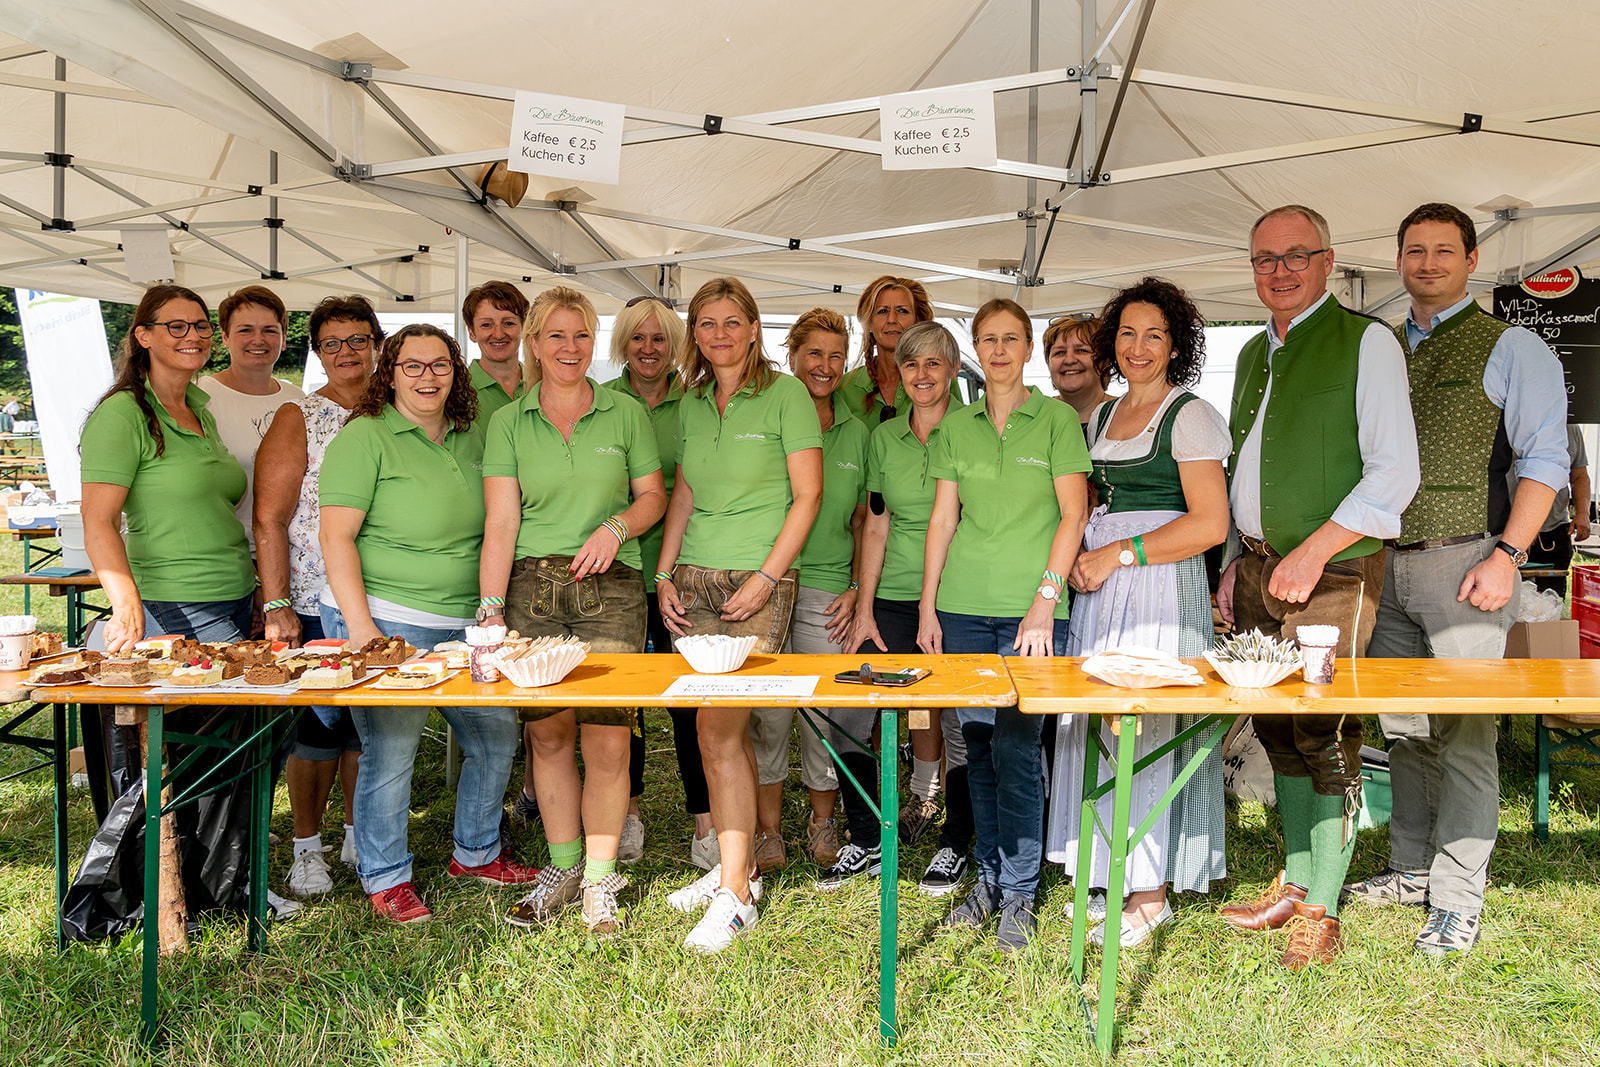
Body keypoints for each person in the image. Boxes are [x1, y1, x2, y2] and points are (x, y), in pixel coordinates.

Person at [1344, 202, 1568, 956]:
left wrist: (1507, 556)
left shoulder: (1512, 346)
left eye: (1444, 251)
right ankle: (1410, 867)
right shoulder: (1378, 347)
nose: (1428, 263)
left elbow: (1545, 461)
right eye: (1415, 250)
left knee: (1468, 729)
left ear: (1473, 260)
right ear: (1398, 259)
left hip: (1466, 559)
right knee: (1404, 729)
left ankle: (1458, 895)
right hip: (1386, 561)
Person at [1215, 204, 1419, 969]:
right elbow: (1246, 467)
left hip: (1334, 567)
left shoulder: (1367, 341)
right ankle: (1297, 880)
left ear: (1328, 260)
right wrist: (1241, 557)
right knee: (1272, 724)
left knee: (1324, 727)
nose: (1280, 269)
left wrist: (1315, 550)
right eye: (1265, 257)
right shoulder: (1248, 355)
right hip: (1263, 566)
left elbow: (1395, 471)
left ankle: (1324, 906)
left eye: (1296, 255)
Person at [79, 283, 296, 918]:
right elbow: (98, 523)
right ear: (142, 336)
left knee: (240, 751)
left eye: (200, 326)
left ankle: (225, 885)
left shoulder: (197, 408)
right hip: (170, 608)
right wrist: (124, 604)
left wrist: (260, 590)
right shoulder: (123, 414)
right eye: (176, 327)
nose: (193, 336)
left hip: (233, 601)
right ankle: (171, 893)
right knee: (181, 762)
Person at [319, 323, 538, 924]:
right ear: (388, 374)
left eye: (439, 365)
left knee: (495, 735)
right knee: (392, 749)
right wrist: (362, 629)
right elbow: (335, 538)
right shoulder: (364, 437)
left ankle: (477, 852)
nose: (427, 377)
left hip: (468, 623)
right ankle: (385, 875)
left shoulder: (475, 437)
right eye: (412, 366)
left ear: (455, 372)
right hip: (387, 618)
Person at [1044, 278, 1231, 947]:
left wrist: (1120, 552)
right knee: (1099, 723)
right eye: (1127, 333)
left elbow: (1210, 523)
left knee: (1145, 728)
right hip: (1100, 585)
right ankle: (1108, 875)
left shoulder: (1190, 414)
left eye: (1154, 334)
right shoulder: (1099, 416)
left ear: (1175, 342)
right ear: (1110, 343)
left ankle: (1149, 892)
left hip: (1154, 582)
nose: (1139, 346)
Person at [477, 287, 667, 936]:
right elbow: (501, 521)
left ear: (595, 342)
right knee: (549, 733)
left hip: (612, 584)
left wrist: (617, 527)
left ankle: (600, 878)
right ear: (533, 343)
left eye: (581, 335)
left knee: (609, 736)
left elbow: (653, 497)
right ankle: (562, 868)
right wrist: (490, 606)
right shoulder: (507, 421)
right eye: (555, 336)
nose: (569, 348)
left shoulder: (625, 413)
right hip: (532, 586)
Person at [917, 297, 1090, 952]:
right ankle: (987, 876)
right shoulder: (956, 428)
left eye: (1010, 338)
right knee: (980, 749)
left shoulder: (1056, 421)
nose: (998, 350)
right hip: (962, 608)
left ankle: (1021, 888)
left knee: (1020, 749)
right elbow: (942, 521)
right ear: (975, 348)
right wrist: (930, 604)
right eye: (987, 339)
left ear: (1027, 347)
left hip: (1033, 616)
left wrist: (1045, 600)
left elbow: (1073, 515)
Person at [655, 277, 822, 953]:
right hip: (692, 578)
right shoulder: (692, 402)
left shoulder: (787, 396)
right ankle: (738, 864)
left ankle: (736, 896)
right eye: (706, 323)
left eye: (732, 321)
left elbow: (807, 497)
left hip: (758, 581)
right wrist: (663, 572)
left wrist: (767, 576)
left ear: (755, 328)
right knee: (712, 731)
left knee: (723, 726)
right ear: (694, 333)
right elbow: (685, 493)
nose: (719, 333)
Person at [254, 295, 382, 897]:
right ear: (317, 353)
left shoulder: (397, 410)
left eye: (357, 339)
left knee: (367, 729)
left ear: (378, 345)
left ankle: (359, 834)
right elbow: (270, 517)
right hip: (313, 593)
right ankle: (307, 845)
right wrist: (278, 604)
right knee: (319, 726)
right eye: (331, 343)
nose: (346, 352)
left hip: (381, 596)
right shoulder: (299, 416)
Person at [847, 321, 973, 897]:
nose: (922, 375)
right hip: (894, 593)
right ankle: (887, 826)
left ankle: (956, 841)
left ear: (952, 371)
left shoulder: (975, 432)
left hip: (961, 592)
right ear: (898, 374)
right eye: (910, 365)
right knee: (881, 709)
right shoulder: (883, 439)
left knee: (960, 718)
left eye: (933, 364)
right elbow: (876, 521)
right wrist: (865, 605)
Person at [751, 308, 862, 876]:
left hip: (826, 587)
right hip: (767, 586)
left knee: (822, 713)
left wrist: (859, 587)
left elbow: (866, 520)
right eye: (814, 354)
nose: (824, 366)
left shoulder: (857, 429)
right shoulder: (767, 414)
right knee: (768, 713)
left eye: (836, 356)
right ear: (791, 355)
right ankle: (767, 832)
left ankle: (823, 821)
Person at [606, 296, 713, 868]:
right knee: (624, 704)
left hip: (680, 573)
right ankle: (628, 812)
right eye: (638, 338)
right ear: (623, 342)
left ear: (677, 345)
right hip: (616, 573)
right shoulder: (601, 403)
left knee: (691, 701)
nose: (649, 349)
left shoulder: (696, 402)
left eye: (661, 339)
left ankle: (705, 820)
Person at [199, 286, 304, 570]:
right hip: (225, 558)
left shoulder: (298, 399)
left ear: (283, 339)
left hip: (287, 557)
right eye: (245, 330)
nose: (258, 339)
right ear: (224, 337)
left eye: (270, 330)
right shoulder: (199, 397)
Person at [1523, 426, 1590, 596]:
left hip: (1553, 532)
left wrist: (1583, 513)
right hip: (1507, 530)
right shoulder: (1511, 418)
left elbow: (1579, 475)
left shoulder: (1571, 427)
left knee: (1551, 604)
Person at [465, 280, 529, 427]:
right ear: (472, 333)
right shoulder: (457, 391)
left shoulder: (542, 384)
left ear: (524, 328)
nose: (498, 334)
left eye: (509, 323)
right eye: (486, 325)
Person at [1045, 314, 1111, 425]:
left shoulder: (1124, 414)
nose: (1069, 360)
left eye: (1081, 350)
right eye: (1060, 352)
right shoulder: (1036, 419)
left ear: (1103, 361)